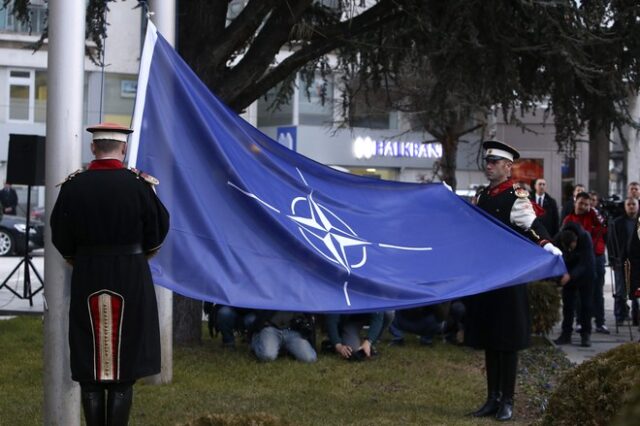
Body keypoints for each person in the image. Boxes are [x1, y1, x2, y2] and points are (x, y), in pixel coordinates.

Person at [50, 122, 170, 426]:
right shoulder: (139, 185)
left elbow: (60, 236)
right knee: (124, 369)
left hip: (88, 274)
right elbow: (157, 233)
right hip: (130, 276)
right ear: (123, 148)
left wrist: (82, 259)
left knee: (90, 366)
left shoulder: (73, 186)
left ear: (93, 148)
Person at [465, 140, 562, 422]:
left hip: (508, 277)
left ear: (508, 167)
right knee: (490, 339)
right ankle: (492, 398)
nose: (489, 165)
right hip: (487, 277)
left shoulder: (516, 194)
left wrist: (546, 243)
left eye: (494, 162)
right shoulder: (483, 196)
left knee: (506, 341)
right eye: (487, 161)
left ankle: (507, 399)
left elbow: (530, 224)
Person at [563, 192, 609, 334]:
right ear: (575, 202)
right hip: (577, 260)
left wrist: (595, 212)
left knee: (597, 293)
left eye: (587, 204)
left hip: (596, 257)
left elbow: (605, 229)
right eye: (581, 203)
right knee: (578, 295)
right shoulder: (568, 219)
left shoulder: (594, 216)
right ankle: (579, 322)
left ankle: (600, 323)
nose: (583, 206)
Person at [553, 222, 596, 347]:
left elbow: (585, 263)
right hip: (568, 272)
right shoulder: (558, 238)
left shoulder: (585, 238)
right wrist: (559, 275)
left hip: (586, 273)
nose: (570, 250)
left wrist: (571, 275)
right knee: (568, 305)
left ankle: (586, 334)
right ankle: (566, 334)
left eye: (572, 247)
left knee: (586, 305)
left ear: (576, 240)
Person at [609, 198, 639, 325]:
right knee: (620, 289)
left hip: (637, 261)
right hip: (621, 261)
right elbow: (610, 243)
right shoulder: (617, 223)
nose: (631, 207)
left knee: (637, 289)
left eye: (634, 204)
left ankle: (636, 317)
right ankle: (619, 315)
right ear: (625, 206)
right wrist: (612, 260)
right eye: (629, 204)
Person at [249, 310, 317, 363]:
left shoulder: (299, 293)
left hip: (293, 330)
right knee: (267, 356)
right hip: (271, 328)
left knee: (310, 358)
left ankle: (283, 347)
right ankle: (256, 341)